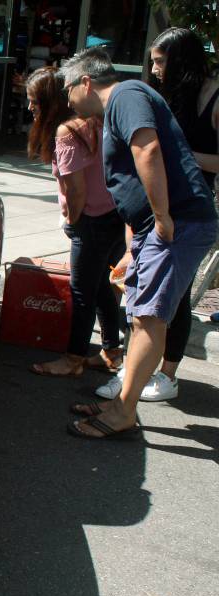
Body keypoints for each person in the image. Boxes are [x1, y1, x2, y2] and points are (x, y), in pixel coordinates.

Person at [60, 48, 217, 439]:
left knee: (149, 318)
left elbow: (146, 149)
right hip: (158, 225)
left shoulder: (126, 94)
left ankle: (123, 411)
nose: (67, 101)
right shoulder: (120, 104)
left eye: (67, 91)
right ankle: (121, 403)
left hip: (176, 222)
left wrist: (163, 218)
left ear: (85, 82)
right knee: (141, 315)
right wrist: (136, 244)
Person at [96, 27, 219, 402]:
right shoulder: (165, 96)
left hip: (194, 207)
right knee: (145, 294)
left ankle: (166, 374)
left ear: (182, 60)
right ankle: (135, 372)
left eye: (161, 61)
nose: (154, 68)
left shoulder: (214, 97)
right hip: (159, 203)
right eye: (152, 60)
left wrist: (179, 156)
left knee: (172, 298)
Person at [24, 66, 126, 377]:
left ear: (52, 101)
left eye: (34, 102)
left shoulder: (66, 131)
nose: (30, 108)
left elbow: (76, 190)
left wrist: (71, 219)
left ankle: (73, 359)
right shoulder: (93, 122)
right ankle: (111, 351)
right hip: (113, 216)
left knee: (83, 291)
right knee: (100, 288)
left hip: (91, 220)